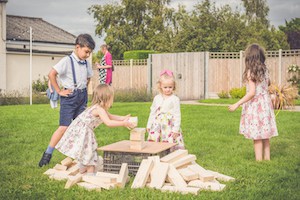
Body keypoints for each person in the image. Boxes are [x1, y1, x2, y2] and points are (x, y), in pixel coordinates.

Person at [39, 34, 95, 167]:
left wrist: (82, 90)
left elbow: (88, 77)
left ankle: (79, 155)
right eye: (86, 52)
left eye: (90, 53)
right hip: (69, 98)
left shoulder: (86, 62)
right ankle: (47, 154)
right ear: (77, 47)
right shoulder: (66, 61)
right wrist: (59, 91)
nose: (88, 55)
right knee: (64, 127)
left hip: (82, 97)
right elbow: (51, 74)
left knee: (82, 127)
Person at [56, 84, 135, 175]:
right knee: (90, 152)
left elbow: (111, 116)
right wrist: (123, 123)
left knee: (85, 150)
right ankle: (90, 174)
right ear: (106, 98)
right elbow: (108, 122)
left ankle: (82, 168)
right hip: (83, 131)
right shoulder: (99, 110)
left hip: (81, 130)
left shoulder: (98, 107)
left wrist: (123, 118)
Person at [228, 44, 278, 161]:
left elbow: (252, 93)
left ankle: (259, 161)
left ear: (249, 58)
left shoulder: (251, 72)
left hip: (256, 107)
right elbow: (268, 84)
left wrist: (237, 104)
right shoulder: (265, 70)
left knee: (257, 135)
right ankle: (267, 159)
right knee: (265, 134)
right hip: (265, 105)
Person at [146, 69, 185, 150]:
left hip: (169, 125)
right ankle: (155, 154)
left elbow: (177, 115)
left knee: (169, 140)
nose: (168, 89)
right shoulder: (157, 98)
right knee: (154, 140)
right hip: (157, 124)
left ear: (174, 86)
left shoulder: (175, 99)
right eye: (165, 87)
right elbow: (153, 111)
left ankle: (170, 154)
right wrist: (149, 124)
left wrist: (175, 129)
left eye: (170, 87)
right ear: (160, 86)